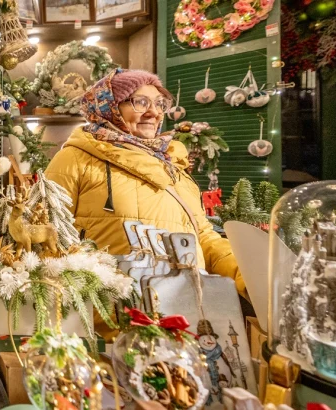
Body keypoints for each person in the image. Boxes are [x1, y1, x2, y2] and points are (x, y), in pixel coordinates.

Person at [45, 68, 245, 297]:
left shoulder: (172, 165)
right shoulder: (75, 159)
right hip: (111, 311)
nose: (154, 112)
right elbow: (44, 238)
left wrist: (248, 276)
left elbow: (204, 238)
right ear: (109, 107)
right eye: (140, 102)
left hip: (183, 310)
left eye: (160, 103)